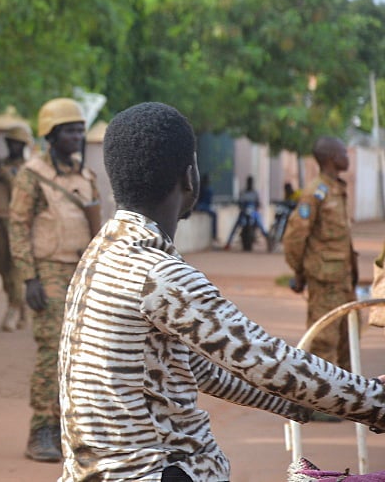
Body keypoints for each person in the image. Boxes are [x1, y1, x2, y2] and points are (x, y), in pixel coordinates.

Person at [58, 102, 385, 482]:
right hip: (155, 472)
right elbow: (266, 359)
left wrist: (298, 404)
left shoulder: (103, 255)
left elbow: (198, 368)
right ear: (190, 177)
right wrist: (376, 403)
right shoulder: (158, 275)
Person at [9, 97, 100, 462]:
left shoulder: (86, 177)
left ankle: (67, 430)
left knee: (80, 355)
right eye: (70, 131)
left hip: (82, 274)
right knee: (52, 351)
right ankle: (40, 430)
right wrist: (29, 277)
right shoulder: (32, 175)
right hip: (47, 272)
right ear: (51, 134)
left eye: (80, 129)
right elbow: (17, 226)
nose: (77, 136)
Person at [282, 136, 357, 375]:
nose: (347, 157)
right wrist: (299, 271)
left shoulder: (337, 189)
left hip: (343, 279)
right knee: (324, 341)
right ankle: (323, 403)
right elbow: (295, 237)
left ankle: (348, 396)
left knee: (347, 338)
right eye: (344, 152)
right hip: (324, 281)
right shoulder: (315, 193)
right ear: (332, 158)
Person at [0, 124, 32, 332]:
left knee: (14, 268)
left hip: (17, 222)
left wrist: (4, 173)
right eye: (10, 143)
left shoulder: (28, 168)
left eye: (17, 143)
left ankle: (13, 309)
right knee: (0, 264)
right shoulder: (0, 164)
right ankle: (20, 305)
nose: (13, 147)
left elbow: (19, 191)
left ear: (23, 145)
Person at [223, 174, 268, 250]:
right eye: (249, 182)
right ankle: (228, 243)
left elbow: (258, 203)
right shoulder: (243, 192)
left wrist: (257, 207)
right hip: (244, 212)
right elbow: (239, 203)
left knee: (260, 224)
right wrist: (242, 207)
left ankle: (268, 241)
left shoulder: (255, 193)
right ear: (247, 182)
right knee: (236, 225)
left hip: (253, 213)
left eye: (251, 182)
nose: (250, 183)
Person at [194, 172, 217, 242]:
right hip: (202, 206)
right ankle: (214, 235)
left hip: (202, 206)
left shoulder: (203, 188)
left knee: (214, 213)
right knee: (214, 214)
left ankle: (214, 235)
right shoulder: (204, 188)